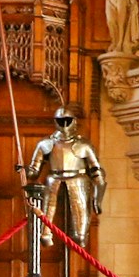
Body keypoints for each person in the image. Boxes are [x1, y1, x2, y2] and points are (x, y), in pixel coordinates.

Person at [27, 104, 106, 245]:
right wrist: (24, 169)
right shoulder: (46, 143)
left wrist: (97, 198)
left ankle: (80, 233)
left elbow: (96, 171)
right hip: (54, 178)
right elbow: (33, 172)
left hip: (78, 179)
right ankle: (45, 232)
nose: (64, 125)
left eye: (67, 120)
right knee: (45, 230)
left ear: (74, 121)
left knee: (80, 234)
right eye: (60, 121)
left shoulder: (84, 144)